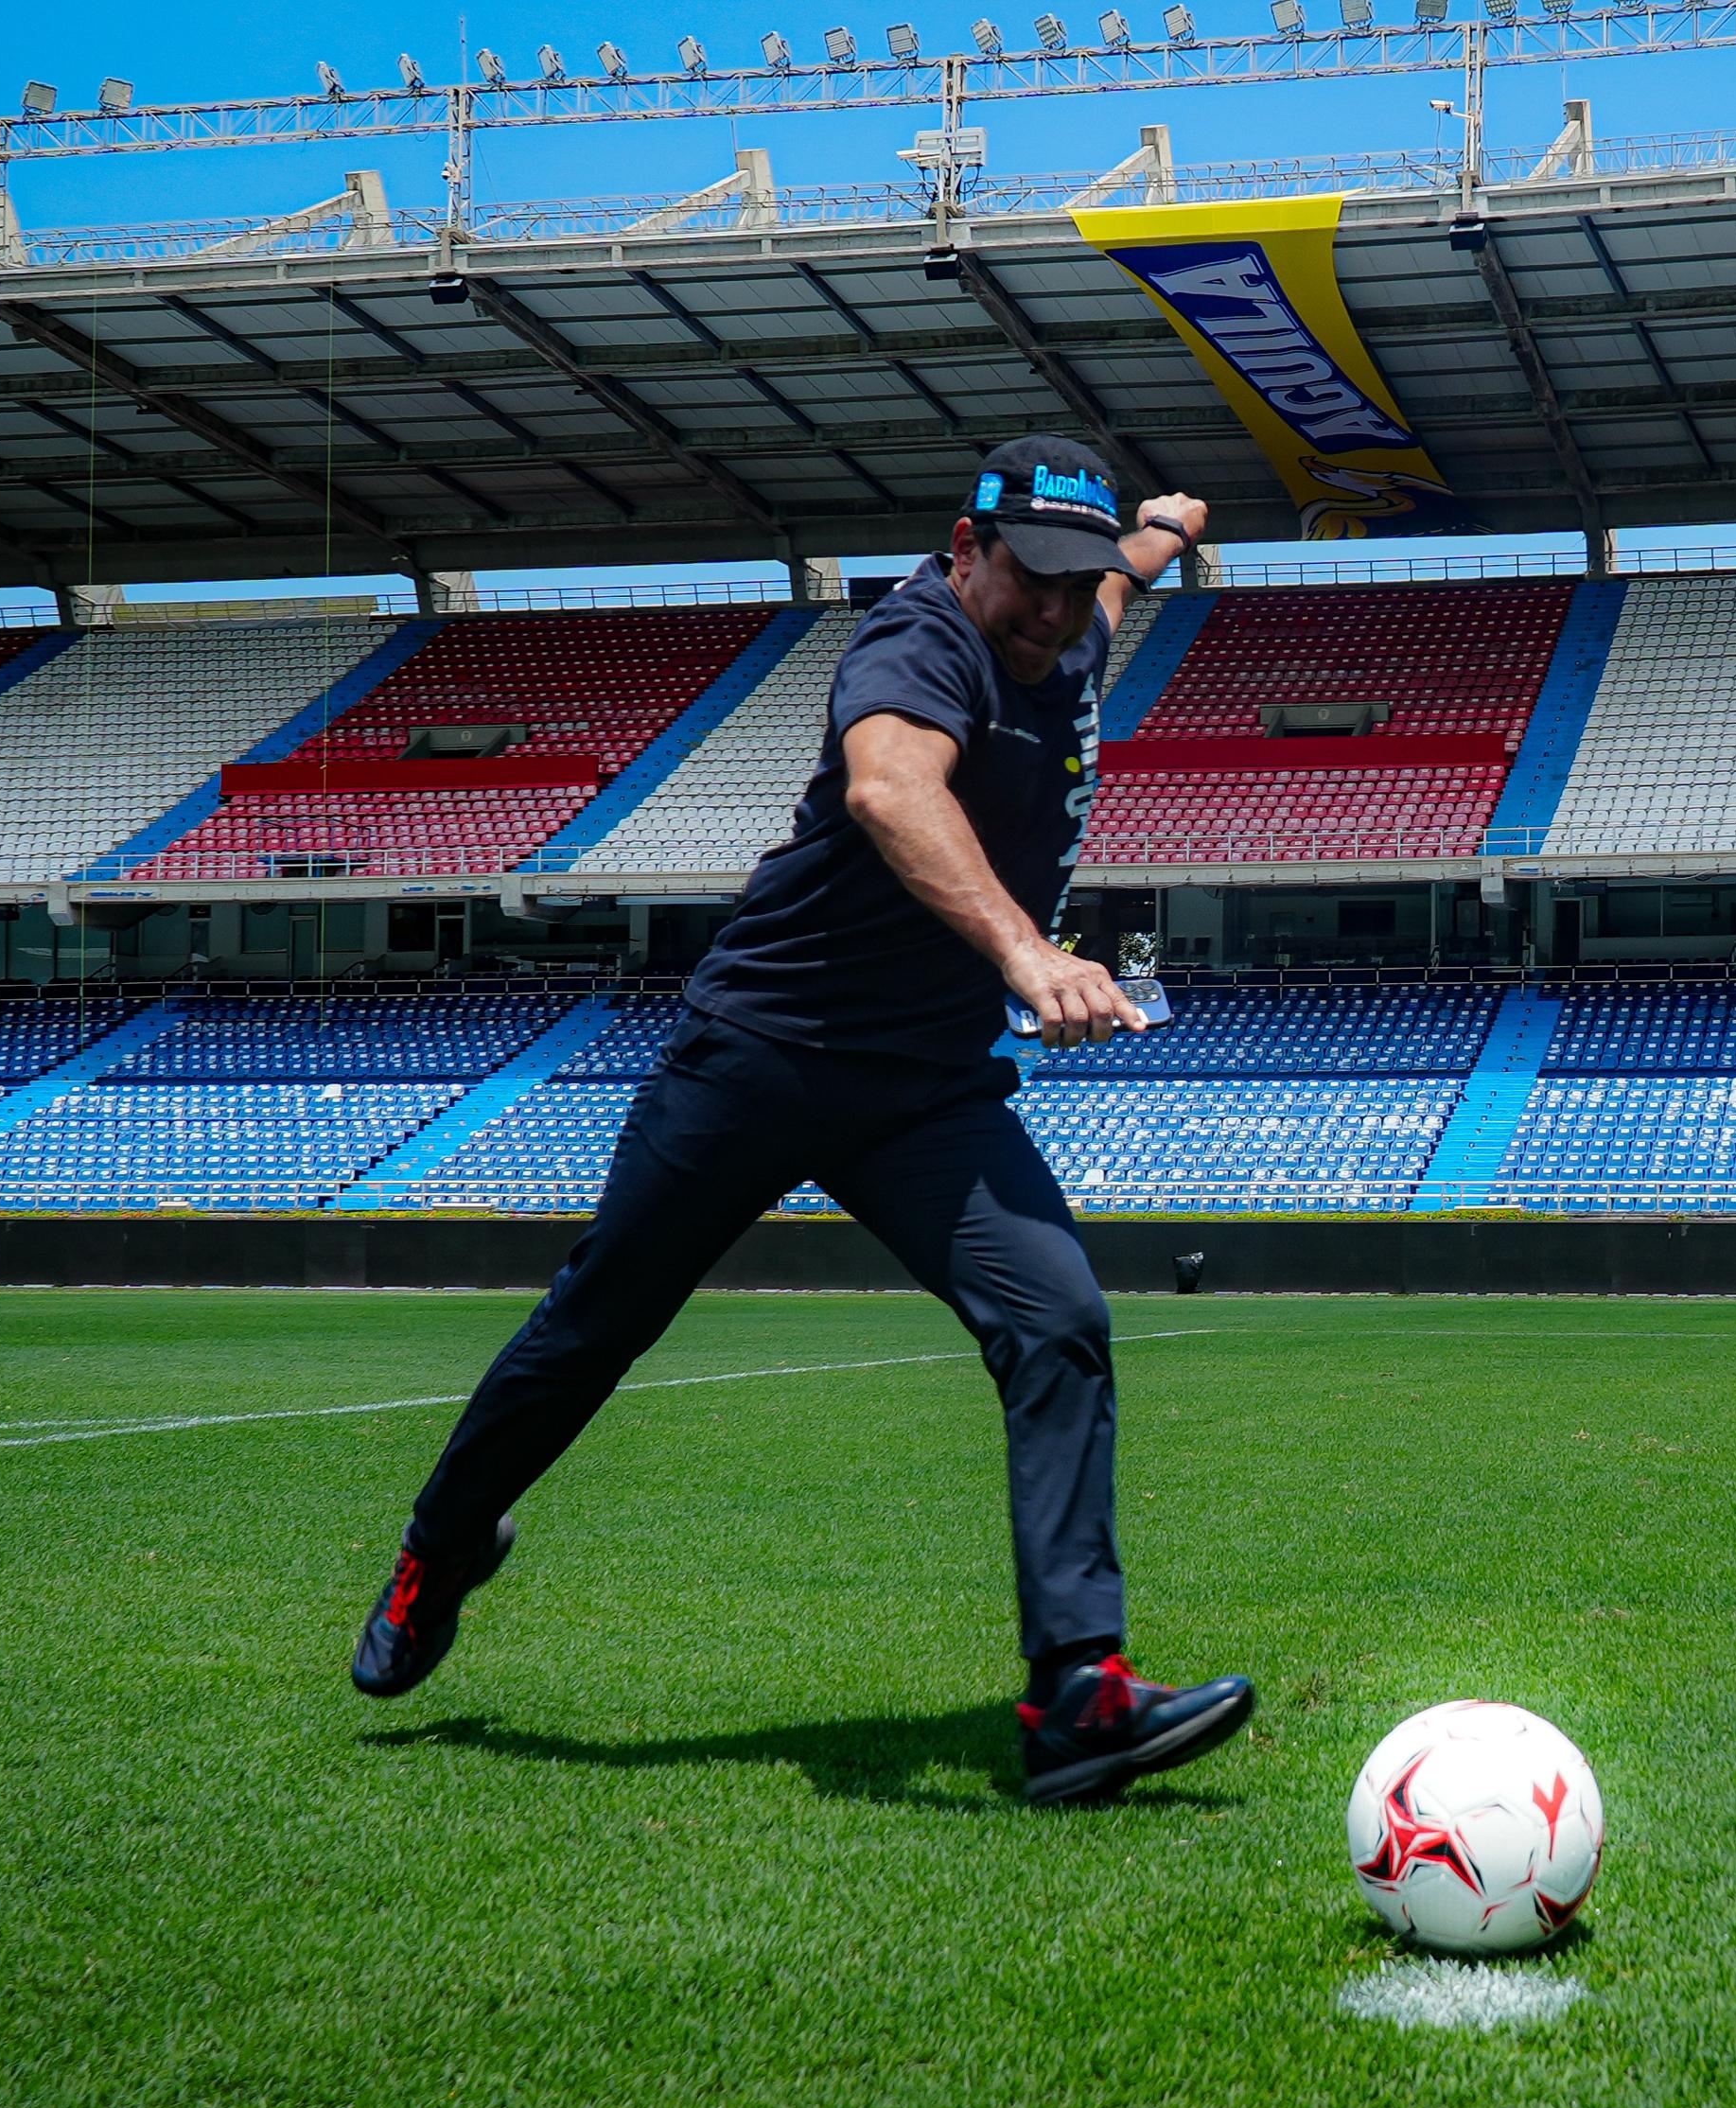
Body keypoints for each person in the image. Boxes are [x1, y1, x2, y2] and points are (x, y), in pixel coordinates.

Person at [349, 434, 1254, 1808]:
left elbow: (1119, 576)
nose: (1055, 611)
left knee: (1059, 1319)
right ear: (966, 549)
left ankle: (1078, 1696)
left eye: (1076, 585)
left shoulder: (1074, 613)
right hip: (764, 1053)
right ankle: (445, 1539)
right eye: (1030, 580)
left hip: (925, 1091)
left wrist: (1161, 529)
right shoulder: (916, 643)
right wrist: (1025, 954)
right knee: (596, 1323)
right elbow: (895, 790)